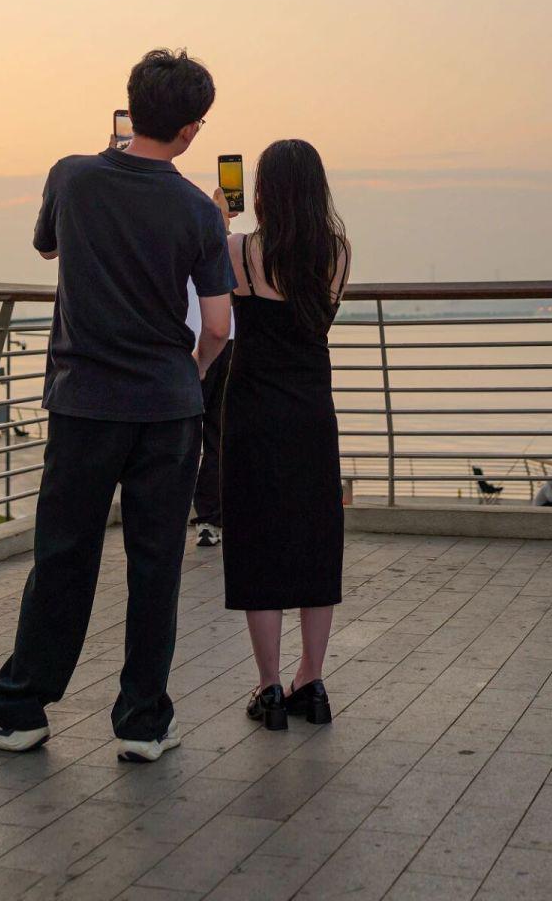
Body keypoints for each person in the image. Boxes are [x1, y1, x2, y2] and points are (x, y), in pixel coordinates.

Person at [0, 48, 234, 760]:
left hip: (85, 403)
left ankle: (21, 711)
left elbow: (48, 250)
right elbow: (219, 326)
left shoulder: (72, 177)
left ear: (130, 110)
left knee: (63, 557)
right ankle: (143, 723)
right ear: (191, 129)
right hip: (168, 408)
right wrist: (192, 376)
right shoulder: (200, 211)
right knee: (155, 566)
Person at [220, 139, 350, 731]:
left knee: (258, 541)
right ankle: (312, 681)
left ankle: (270, 687)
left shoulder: (241, 251)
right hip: (312, 411)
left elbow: (217, 314)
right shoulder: (336, 254)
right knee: (316, 539)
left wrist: (218, 221)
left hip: (252, 411)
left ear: (263, 191)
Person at [186, 278, 234, 548]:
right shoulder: (225, 254)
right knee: (217, 434)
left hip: (184, 338)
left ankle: (171, 513)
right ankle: (210, 519)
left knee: (180, 435)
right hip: (226, 335)